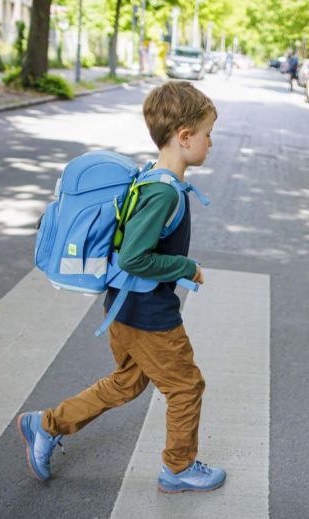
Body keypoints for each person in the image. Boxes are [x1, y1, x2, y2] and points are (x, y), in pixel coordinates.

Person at [17, 81, 226, 494]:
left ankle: (46, 424)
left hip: (125, 307)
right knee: (186, 387)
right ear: (185, 137)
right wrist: (186, 266)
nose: (211, 142)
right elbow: (134, 257)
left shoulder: (152, 176)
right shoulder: (164, 193)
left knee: (128, 382)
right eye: (207, 133)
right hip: (149, 313)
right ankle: (179, 467)